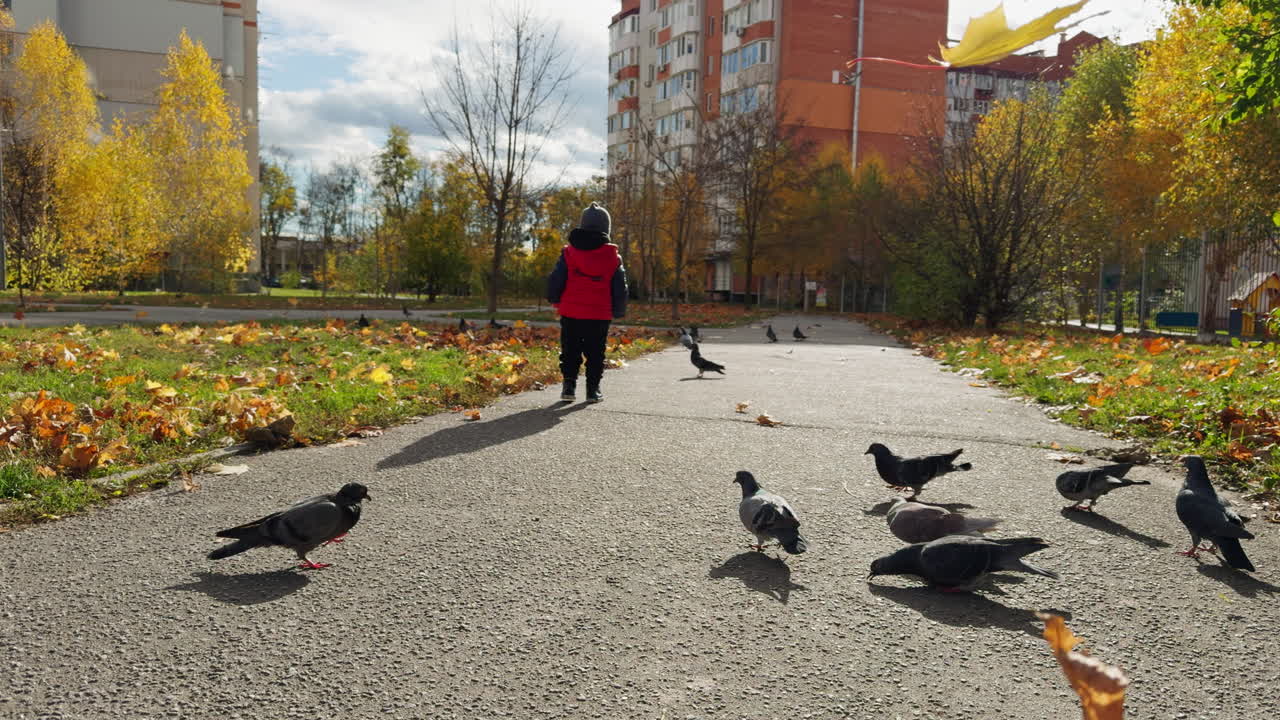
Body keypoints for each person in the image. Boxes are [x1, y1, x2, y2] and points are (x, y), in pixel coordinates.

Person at [546, 202, 627, 403]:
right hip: (599, 314)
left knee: (570, 349)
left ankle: (569, 386)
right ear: (605, 230)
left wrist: (553, 296)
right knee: (595, 351)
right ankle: (593, 389)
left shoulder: (569, 253)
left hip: (571, 311)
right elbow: (620, 286)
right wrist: (619, 309)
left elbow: (557, 277)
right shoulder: (613, 257)